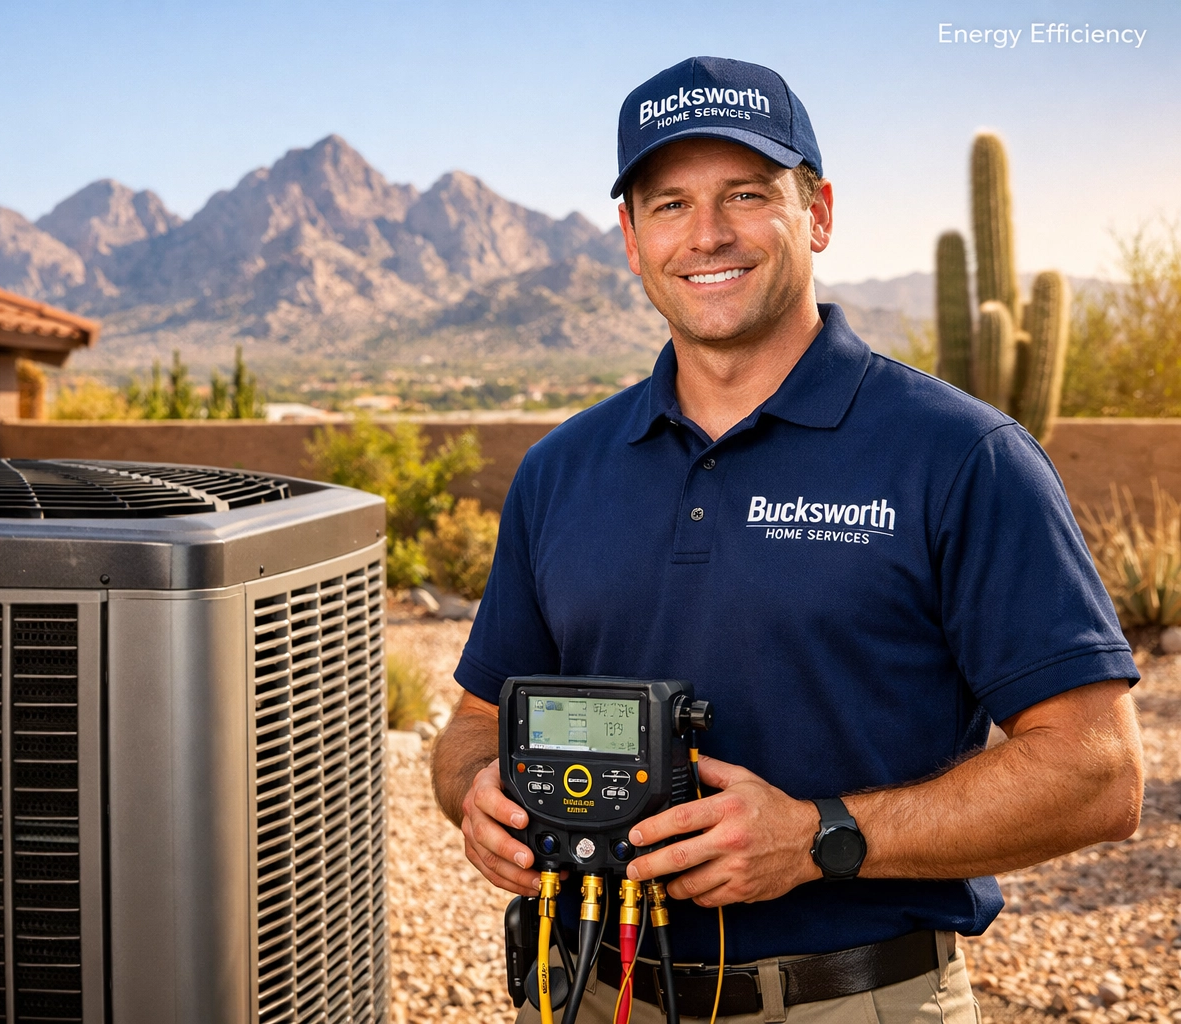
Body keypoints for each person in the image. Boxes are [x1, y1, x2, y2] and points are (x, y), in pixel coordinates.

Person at [430, 55, 1143, 1024]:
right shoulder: (562, 467)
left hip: (852, 1002)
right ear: (632, 241)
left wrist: (821, 837)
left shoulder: (961, 454)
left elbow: (1097, 771)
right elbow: (476, 720)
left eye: (747, 193)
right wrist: (482, 796)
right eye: (669, 203)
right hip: (591, 996)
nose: (708, 232)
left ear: (818, 212)